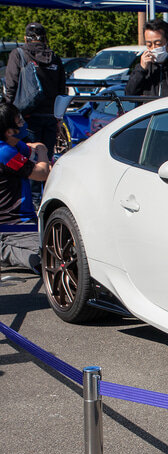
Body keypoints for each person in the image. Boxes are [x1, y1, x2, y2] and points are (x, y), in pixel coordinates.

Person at [2, 22, 66, 160]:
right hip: (51, 115)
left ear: (26, 38)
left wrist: (8, 115)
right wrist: (58, 118)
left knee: (29, 160)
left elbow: (11, 86)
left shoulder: (18, 54)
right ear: (44, 38)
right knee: (46, 160)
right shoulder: (54, 57)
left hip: (27, 117)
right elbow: (62, 90)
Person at [0, 103, 51, 273]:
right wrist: (43, 151)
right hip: (13, 225)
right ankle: (4, 250)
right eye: (19, 121)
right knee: (47, 256)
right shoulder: (5, 152)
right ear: (9, 131)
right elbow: (41, 173)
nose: (23, 123)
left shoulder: (12, 144)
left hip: (22, 221)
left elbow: (29, 148)